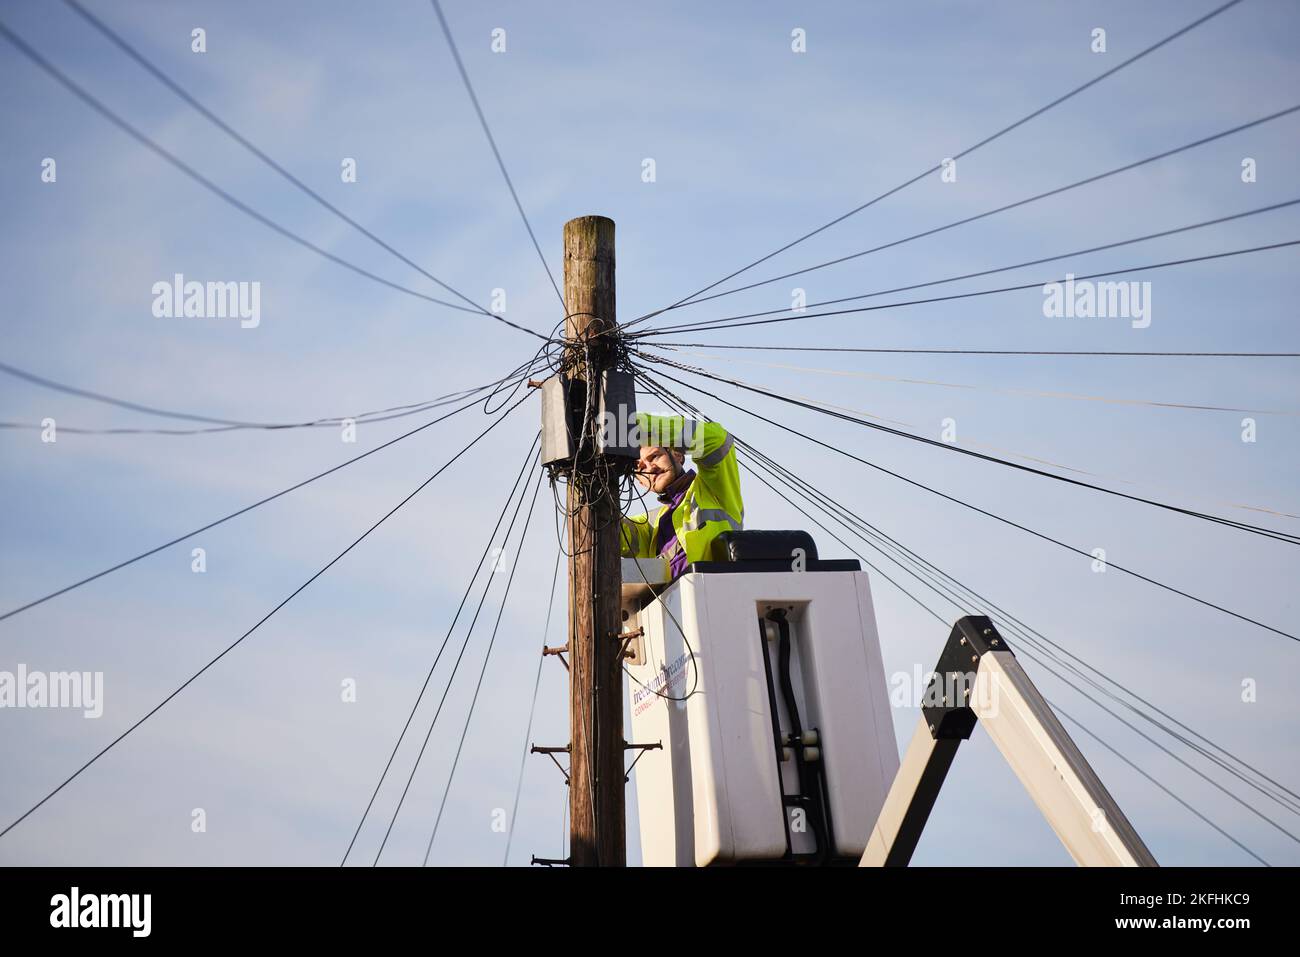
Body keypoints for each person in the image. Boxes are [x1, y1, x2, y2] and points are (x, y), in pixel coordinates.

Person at [620, 411, 743, 578]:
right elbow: (611, 530)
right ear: (642, 483)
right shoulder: (651, 525)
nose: (651, 468)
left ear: (677, 455)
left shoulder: (713, 490)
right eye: (641, 468)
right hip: (673, 603)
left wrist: (633, 425)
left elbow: (717, 441)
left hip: (718, 596)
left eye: (655, 456)